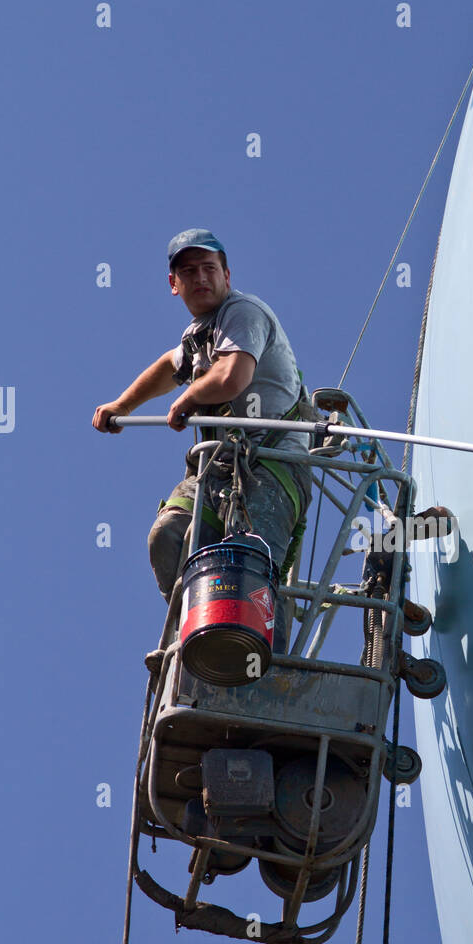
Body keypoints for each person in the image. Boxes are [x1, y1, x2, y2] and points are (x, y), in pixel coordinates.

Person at [92, 229, 312, 650]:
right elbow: (166, 366)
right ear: (174, 286)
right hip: (217, 472)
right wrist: (123, 405)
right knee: (170, 536)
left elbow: (231, 378)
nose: (200, 278)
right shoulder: (198, 337)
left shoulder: (243, 312)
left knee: (248, 562)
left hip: (272, 465)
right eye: (188, 272)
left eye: (209, 268)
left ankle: (262, 670)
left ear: (226, 275)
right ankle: (199, 640)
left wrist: (189, 398)